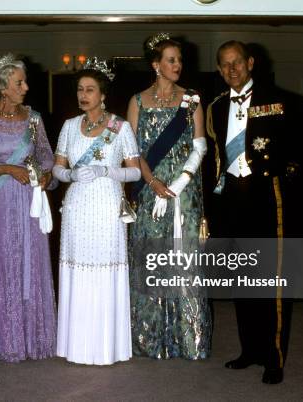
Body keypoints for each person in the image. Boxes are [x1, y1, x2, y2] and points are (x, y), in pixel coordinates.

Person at [206, 40, 297, 384]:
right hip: (231, 201)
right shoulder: (215, 108)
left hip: (267, 199)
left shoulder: (281, 102)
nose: (232, 70)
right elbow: (214, 161)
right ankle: (251, 350)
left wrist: (282, 180)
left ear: (251, 63)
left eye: (238, 63)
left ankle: (274, 357)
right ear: (219, 69)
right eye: (225, 65)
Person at [126, 33, 212, 360]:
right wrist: (152, 182)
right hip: (150, 192)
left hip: (184, 192)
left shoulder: (191, 99)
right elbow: (131, 151)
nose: (178, 65)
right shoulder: (137, 101)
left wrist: (179, 182)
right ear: (155, 65)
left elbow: (200, 146)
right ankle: (149, 340)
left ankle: (190, 340)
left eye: (179, 60)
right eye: (171, 60)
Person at [0, 53, 57, 362]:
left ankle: (33, 339)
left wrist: (45, 174)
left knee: (30, 264)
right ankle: (3, 339)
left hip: (29, 201)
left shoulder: (33, 118)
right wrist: (7, 168)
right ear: (3, 87)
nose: (26, 87)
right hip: (1, 203)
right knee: (3, 264)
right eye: (19, 82)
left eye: (24, 81)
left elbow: (46, 155)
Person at [53, 58, 141, 365]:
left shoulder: (120, 127)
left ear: (102, 94)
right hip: (77, 205)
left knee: (104, 267)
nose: (83, 95)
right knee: (78, 267)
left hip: (106, 205)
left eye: (90, 89)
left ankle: (107, 346)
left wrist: (108, 171)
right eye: (80, 89)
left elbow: (135, 173)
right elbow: (57, 168)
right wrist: (71, 176)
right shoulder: (68, 127)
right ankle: (75, 345)